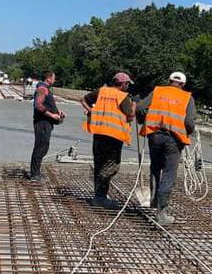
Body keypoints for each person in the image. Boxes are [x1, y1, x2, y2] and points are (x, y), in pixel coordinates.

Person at [136, 71, 196, 226]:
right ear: (182, 84)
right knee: (169, 173)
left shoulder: (157, 91)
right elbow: (189, 122)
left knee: (155, 167)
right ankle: (161, 214)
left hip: (154, 136)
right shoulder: (187, 97)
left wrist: (143, 119)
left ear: (169, 81)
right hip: (174, 140)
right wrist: (188, 132)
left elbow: (140, 108)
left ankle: (154, 200)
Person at [82, 72, 136, 209]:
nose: (128, 86)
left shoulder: (102, 91)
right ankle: (100, 197)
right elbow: (130, 117)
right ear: (123, 84)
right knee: (111, 167)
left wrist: (90, 111)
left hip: (99, 133)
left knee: (99, 164)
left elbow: (84, 100)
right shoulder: (123, 97)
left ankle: (98, 196)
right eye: (127, 84)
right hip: (113, 137)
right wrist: (134, 106)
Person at [28, 71, 65, 181]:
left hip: (45, 123)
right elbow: (38, 105)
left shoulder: (45, 89)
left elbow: (46, 105)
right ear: (48, 78)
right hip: (42, 123)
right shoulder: (42, 89)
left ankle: (36, 172)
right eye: (54, 78)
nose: (55, 80)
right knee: (40, 147)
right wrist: (52, 115)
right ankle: (34, 175)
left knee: (43, 147)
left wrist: (58, 114)